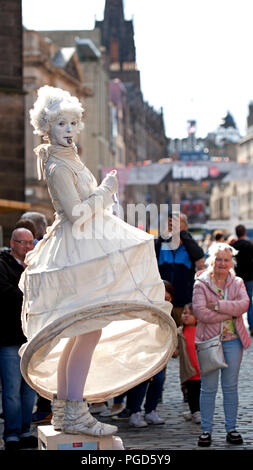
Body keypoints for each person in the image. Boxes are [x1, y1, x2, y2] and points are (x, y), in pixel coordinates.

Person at [19, 86, 177, 437]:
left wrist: (102, 194)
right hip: (78, 248)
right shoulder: (58, 163)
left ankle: (66, 409)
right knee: (85, 329)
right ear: (47, 126)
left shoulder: (69, 157)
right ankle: (74, 410)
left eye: (73, 123)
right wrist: (105, 192)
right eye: (61, 124)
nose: (69, 130)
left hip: (85, 246)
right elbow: (77, 214)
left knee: (82, 331)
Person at [192, 242, 250, 447]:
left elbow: (244, 305)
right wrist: (230, 312)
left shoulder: (238, 282)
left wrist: (218, 306)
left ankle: (231, 429)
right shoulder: (201, 283)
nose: (222, 263)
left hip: (233, 342)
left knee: (230, 387)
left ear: (231, 262)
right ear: (212, 261)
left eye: (226, 260)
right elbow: (200, 313)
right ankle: (206, 431)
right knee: (208, 387)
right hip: (208, 341)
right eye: (218, 259)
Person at [0, 228, 37, 450]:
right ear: (12, 243)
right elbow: (5, 293)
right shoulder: (2, 264)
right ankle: (11, 434)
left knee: (29, 389)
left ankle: (25, 431)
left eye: (30, 243)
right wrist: (31, 294)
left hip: (32, 337)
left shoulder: (36, 265)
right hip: (9, 337)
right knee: (12, 389)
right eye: (22, 242)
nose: (27, 247)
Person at [155, 213, 205, 327]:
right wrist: (164, 233)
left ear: (185, 227)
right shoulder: (162, 244)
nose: (174, 225)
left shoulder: (189, 245)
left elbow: (198, 254)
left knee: (183, 337)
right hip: (164, 301)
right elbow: (152, 252)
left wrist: (182, 234)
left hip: (184, 302)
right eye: (171, 223)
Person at [176, 303, 201, 424]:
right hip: (189, 369)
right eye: (184, 313)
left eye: (191, 314)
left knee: (201, 392)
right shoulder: (180, 332)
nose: (186, 316)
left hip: (202, 368)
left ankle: (197, 411)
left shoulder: (202, 331)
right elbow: (175, 349)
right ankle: (195, 411)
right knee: (191, 392)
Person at [233, 224, 253, 336]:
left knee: (237, 303)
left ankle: (238, 328)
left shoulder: (234, 245)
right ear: (244, 232)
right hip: (250, 278)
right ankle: (252, 326)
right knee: (249, 302)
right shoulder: (249, 245)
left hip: (237, 278)